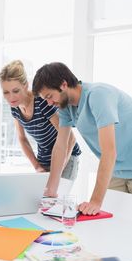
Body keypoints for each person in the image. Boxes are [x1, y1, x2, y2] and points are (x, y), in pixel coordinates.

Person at [32, 62, 132, 215]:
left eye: (50, 96)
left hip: (119, 162)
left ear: (63, 84)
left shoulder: (98, 95)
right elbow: (60, 146)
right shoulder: (66, 107)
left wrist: (95, 201)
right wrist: (51, 190)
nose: (49, 103)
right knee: (111, 224)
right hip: (118, 171)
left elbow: (109, 152)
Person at [0, 60, 81, 180]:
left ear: (26, 85)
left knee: (58, 196)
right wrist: (37, 166)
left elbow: (70, 138)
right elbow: (22, 139)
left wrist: (58, 169)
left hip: (66, 156)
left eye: (15, 91)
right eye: (6, 92)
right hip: (44, 160)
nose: (11, 97)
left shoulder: (42, 102)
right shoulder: (15, 109)